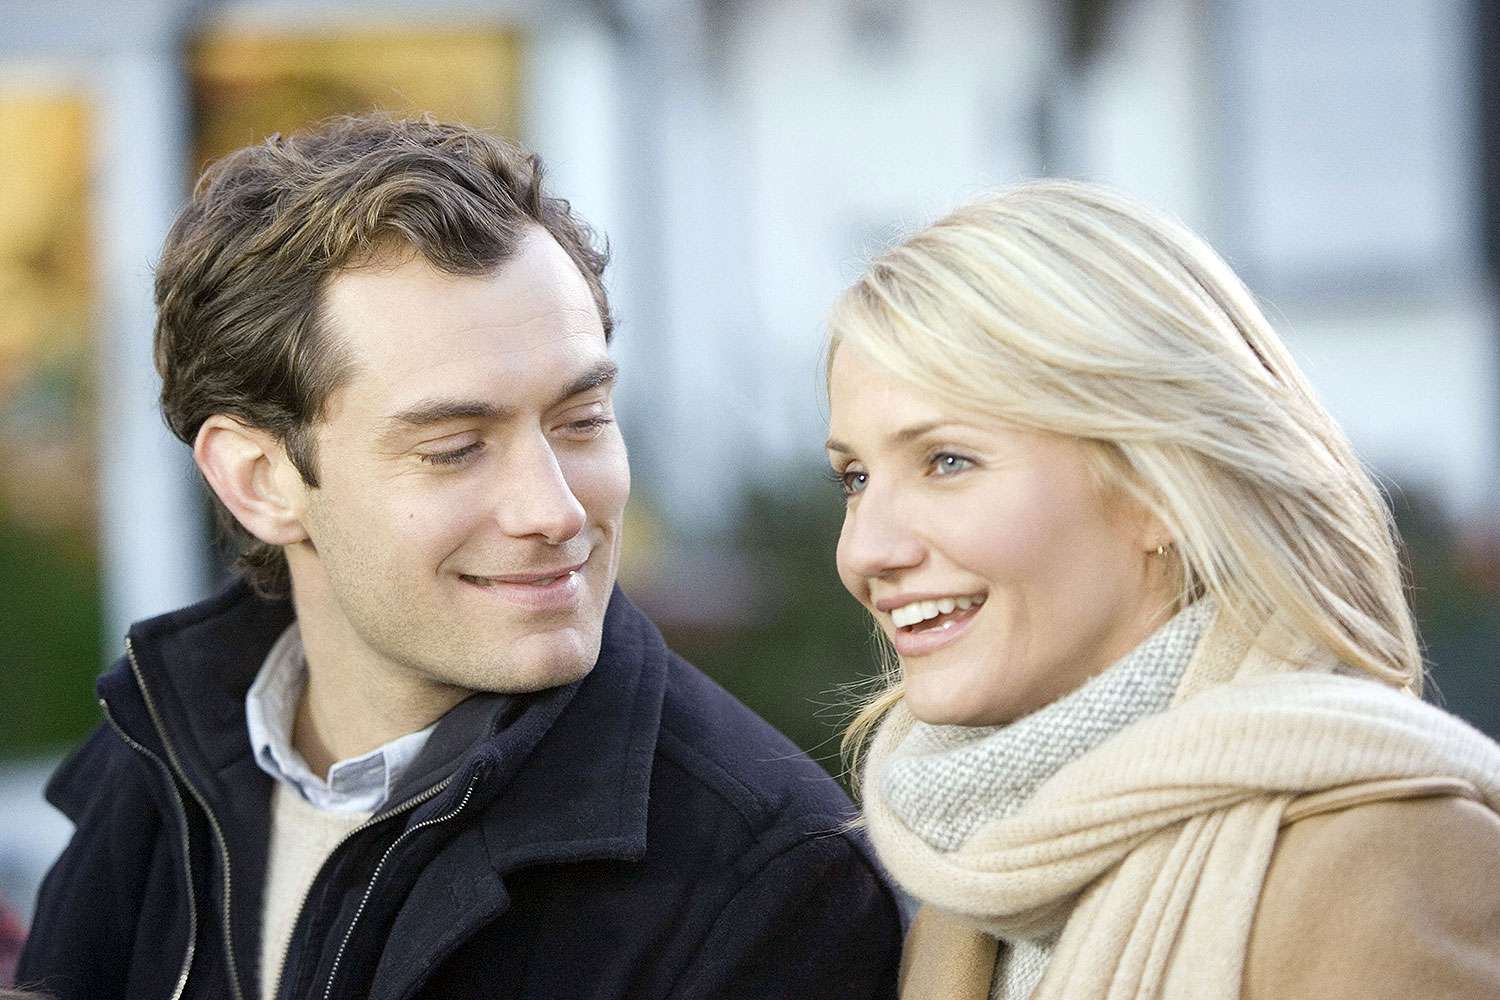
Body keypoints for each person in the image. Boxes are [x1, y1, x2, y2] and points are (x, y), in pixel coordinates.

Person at [19, 114, 902, 1000]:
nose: (555, 510)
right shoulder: (154, 759)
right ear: (260, 480)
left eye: (583, 420)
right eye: (454, 448)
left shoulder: (769, 884)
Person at [823, 180, 1500, 999]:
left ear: (1156, 488)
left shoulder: (1390, 856)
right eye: (855, 478)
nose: (865, 550)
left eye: (947, 461)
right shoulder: (977, 878)